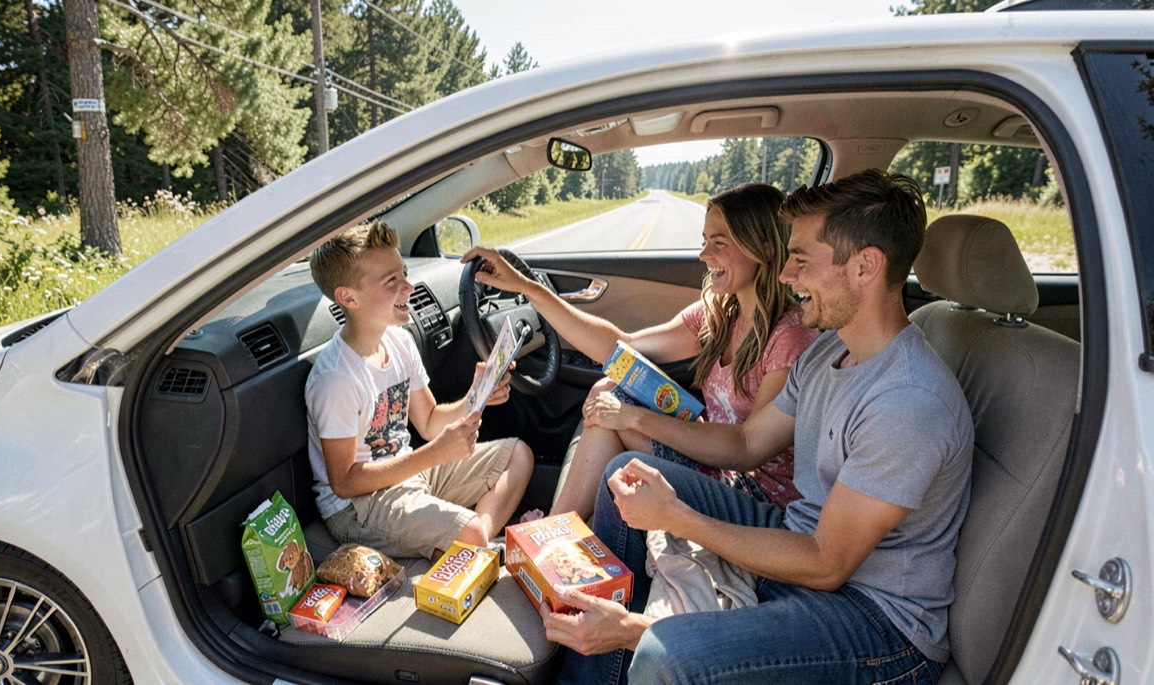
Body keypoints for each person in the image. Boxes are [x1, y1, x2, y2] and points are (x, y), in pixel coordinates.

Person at [543, 168, 974, 684]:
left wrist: (677, 522)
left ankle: (619, 637)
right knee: (626, 475)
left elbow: (826, 564)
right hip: (800, 540)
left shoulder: (907, 400)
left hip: (875, 620)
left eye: (802, 260)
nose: (787, 276)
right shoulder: (829, 353)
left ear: (865, 267)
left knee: (665, 654)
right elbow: (748, 443)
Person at [462, 183, 817, 520]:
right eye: (705, 241)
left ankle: (551, 535)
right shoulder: (722, 314)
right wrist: (529, 289)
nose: (703, 255)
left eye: (719, 243)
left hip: (755, 497)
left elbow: (745, 448)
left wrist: (632, 418)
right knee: (607, 392)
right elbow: (622, 348)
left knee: (615, 408)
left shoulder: (789, 338)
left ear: (765, 248)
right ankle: (555, 532)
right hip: (718, 468)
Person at [305, 220, 534, 562]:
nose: (409, 287)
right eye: (391, 281)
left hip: (409, 472)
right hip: (358, 506)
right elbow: (344, 483)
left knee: (519, 455)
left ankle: (476, 541)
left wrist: (476, 397)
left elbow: (427, 421)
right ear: (348, 297)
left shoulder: (399, 341)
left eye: (404, 273)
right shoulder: (337, 378)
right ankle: (475, 541)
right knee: (469, 532)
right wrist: (434, 454)